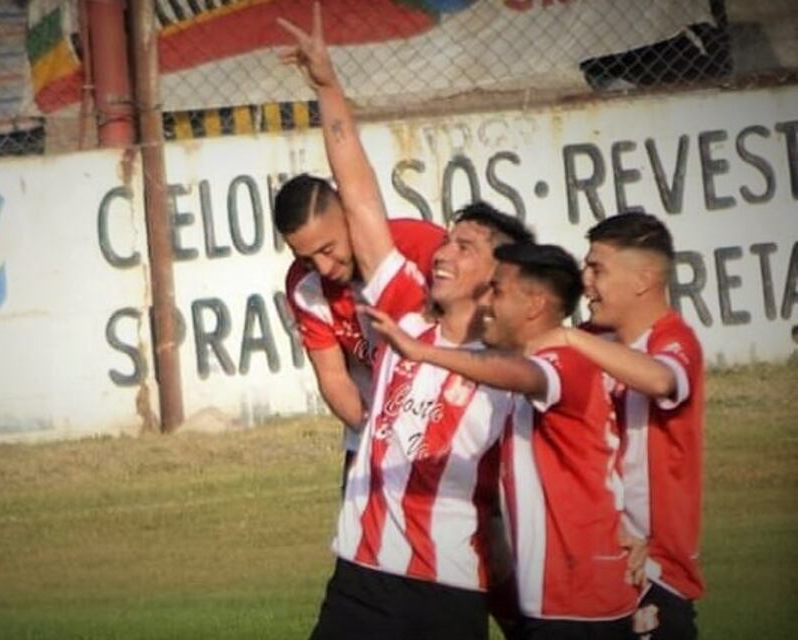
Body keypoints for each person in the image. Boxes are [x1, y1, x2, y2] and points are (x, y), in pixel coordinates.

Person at [278, 5, 533, 639]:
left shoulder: (518, 366)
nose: (442, 250)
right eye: (447, 241)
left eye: (465, 246)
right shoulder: (403, 312)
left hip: (442, 589)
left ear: (500, 280)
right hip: (360, 574)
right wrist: (328, 87)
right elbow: (357, 188)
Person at [367, 242, 643, 639]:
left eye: (497, 291)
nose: (486, 304)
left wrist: (421, 352)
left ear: (534, 304)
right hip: (561, 600)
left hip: (580, 604)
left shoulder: (565, 363)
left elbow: (524, 375)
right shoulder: (551, 362)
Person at [531, 213, 704, 638]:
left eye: (598, 269)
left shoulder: (674, 340)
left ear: (643, 279)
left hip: (655, 571)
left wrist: (571, 338)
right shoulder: (594, 337)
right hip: (595, 565)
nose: (585, 281)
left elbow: (663, 380)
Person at [275, 174, 446, 492]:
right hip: (371, 434)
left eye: (328, 249)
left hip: (449, 430)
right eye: (307, 259)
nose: (323, 268)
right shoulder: (303, 285)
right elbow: (333, 377)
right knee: (359, 537)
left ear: (349, 215)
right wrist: (376, 436)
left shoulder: (422, 247)